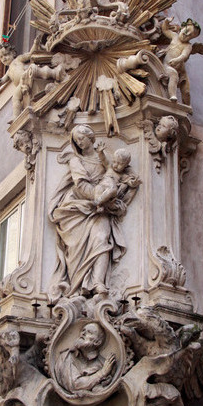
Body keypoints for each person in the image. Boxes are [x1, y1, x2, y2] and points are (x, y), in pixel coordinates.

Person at [48, 125, 140, 303]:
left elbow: (117, 173)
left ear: (90, 137)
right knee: (76, 248)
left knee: (102, 238)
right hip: (79, 208)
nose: (79, 142)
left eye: (81, 137)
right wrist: (98, 195)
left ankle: (98, 283)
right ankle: (78, 284)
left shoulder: (104, 159)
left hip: (101, 208)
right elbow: (81, 186)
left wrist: (128, 182)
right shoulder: (75, 161)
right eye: (76, 140)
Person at [54, 322, 116, 394]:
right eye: (83, 330)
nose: (83, 334)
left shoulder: (104, 364)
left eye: (89, 332)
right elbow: (75, 385)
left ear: (98, 342)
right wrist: (102, 373)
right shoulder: (66, 357)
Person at [158, 18, 203, 105]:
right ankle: (172, 95)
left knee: (174, 75)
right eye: (187, 31)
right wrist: (166, 21)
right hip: (165, 64)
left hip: (172, 66)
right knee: (173, 74)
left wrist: (177, 60)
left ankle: (172, 95)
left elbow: (184, 55)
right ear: (182, 27)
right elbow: (165, 30)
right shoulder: (174, 36)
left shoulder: (188, 46)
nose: (187, 35)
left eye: (191, 36)